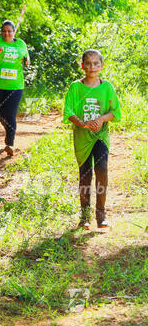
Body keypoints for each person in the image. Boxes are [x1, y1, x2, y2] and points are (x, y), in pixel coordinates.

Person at [63, 49, 121, 229]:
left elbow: (115, 112)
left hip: (100, 136)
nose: (92, 67)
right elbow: (68, 111)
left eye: (96, 63)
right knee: (85, 176)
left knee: (102, 169)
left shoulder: (107, 87)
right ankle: (85, 216)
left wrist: (101, 119)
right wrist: (83, 123)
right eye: (88, 63)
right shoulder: (75, 87)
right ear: (82, 66)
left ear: (102, 66)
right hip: (82, 138)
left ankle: (101, 214)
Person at [0, 19, 30, 155]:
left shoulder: (21, 44)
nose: (6, 33)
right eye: (4, 31)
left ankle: (10, 143)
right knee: (1, 114)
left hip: (15, 85)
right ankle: (9, 130)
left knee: (10, 114)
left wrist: (26, 60)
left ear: (14, 32)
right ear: (1, 32)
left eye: (9, 31)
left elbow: (27, 58)